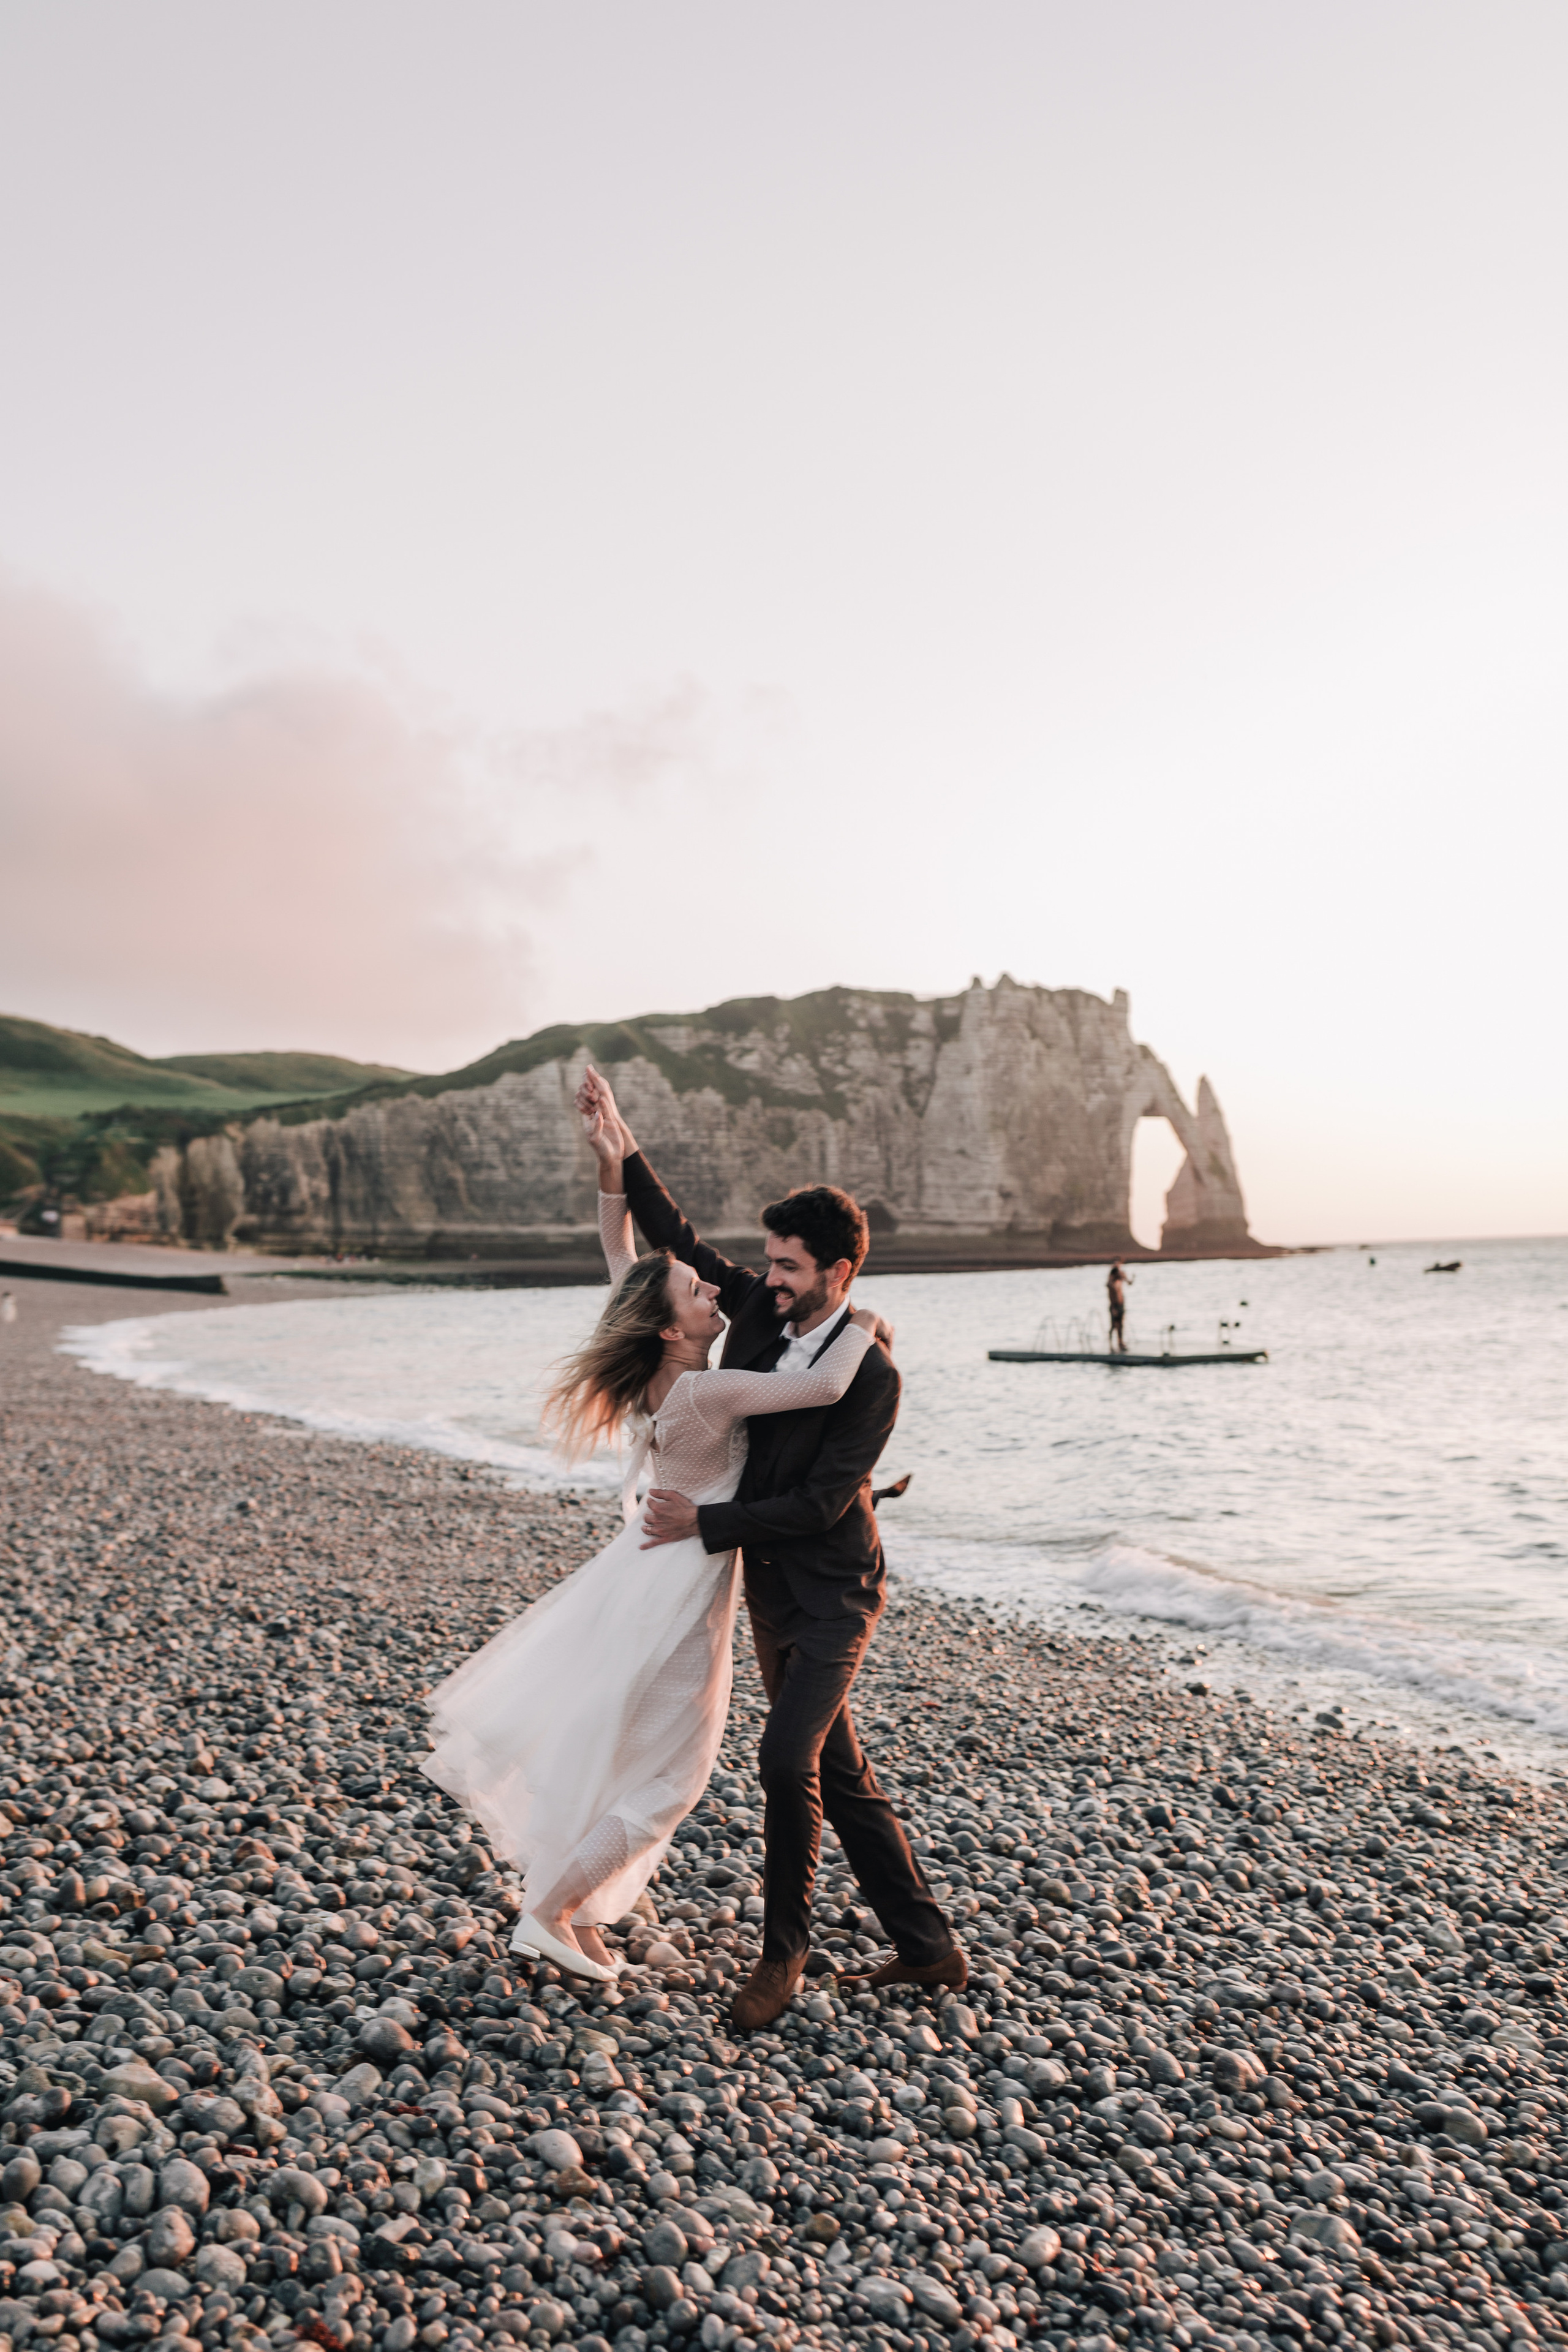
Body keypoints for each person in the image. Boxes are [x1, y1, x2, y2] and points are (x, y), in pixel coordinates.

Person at [420, 1096, 891, 1987]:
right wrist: (866, 1323)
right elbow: (829, 1386)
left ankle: (567, 1909)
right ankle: (551, 1912)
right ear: (673, 1327)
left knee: (622, 1745)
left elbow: (623, 1254)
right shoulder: (708, 1393)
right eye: (697, 1292)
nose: (717, 1288)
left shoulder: (657, 1370)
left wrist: (612, 1161)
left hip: (643, 1572)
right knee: (675, 1775)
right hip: (680, 1585)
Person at [576, 1065, 965, 2032]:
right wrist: (620, 1142)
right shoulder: (754, 1309)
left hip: (836, 1592)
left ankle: (782, 1956)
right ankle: (929, 1949)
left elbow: (823, 1503)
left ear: (840, 1272)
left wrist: (703, 1525)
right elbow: (671, 1234)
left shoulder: (870, 1375)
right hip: (766, 1590)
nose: (771, 1278)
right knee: (843, 1774)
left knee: (786, 1760)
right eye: (771, 1262)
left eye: (790, 1266)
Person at [1107, 1259, 1132, 1353]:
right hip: (1115, 1306)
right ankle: (1111, 1344)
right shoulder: (1111, 1284)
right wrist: (1113, 1308)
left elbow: (1128, 1282)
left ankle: (1120, 1342)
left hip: (1121, 1305)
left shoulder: (1119, 1282)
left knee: (1121, 1325)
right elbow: (1110, 1296)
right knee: (1114, 1326)